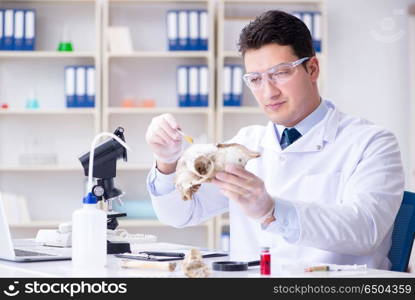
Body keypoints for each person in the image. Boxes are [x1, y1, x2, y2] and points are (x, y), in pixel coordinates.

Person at [145, 10, 404, 269]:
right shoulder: (245, 144)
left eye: (280, 72)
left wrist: (272, 211)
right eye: (256, 79)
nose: (268, 92)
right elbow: (181, 214)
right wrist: (167, 163)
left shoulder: (371, 143)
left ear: (312, 69)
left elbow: (366, 230)